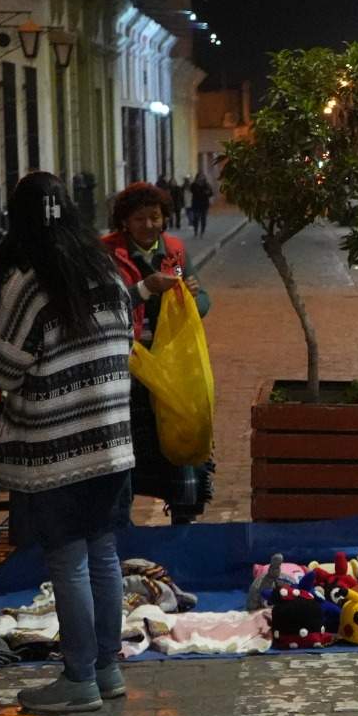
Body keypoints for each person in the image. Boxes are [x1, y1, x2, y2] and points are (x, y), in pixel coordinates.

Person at [0, 172, 136, 712]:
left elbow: (1, 367)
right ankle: (108, 670)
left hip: (57, 451)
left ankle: (78, 680)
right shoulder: (107, 271)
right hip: (112, 444)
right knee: (104, 555)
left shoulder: (29, 283)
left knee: (68, 561)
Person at [103, 183, 213, 524]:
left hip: (170, 364)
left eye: (155, 217)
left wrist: (192, 296)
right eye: (139, 219)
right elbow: (105, 303)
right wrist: (145, 289)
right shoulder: (107, 253)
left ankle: (184, 514)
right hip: (127, 361)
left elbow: (204, 300)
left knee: (178, 433)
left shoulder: (175, 252)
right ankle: (122, 521)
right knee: (129, 446)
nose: (149, 225)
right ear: (125, 221)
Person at [189, 173, 214, 237]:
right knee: (196, 218)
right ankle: (196, 231)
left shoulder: (207, 185)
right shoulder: (194, 185)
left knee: (203, 218)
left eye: (202, 177)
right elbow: (194, 192)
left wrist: (206, 192)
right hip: (196, 204)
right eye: (200, 177)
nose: (201, 178)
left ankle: (202, 232)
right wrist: (205, 193)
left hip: (204, 204)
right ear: (197, 178)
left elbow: (211, 193)